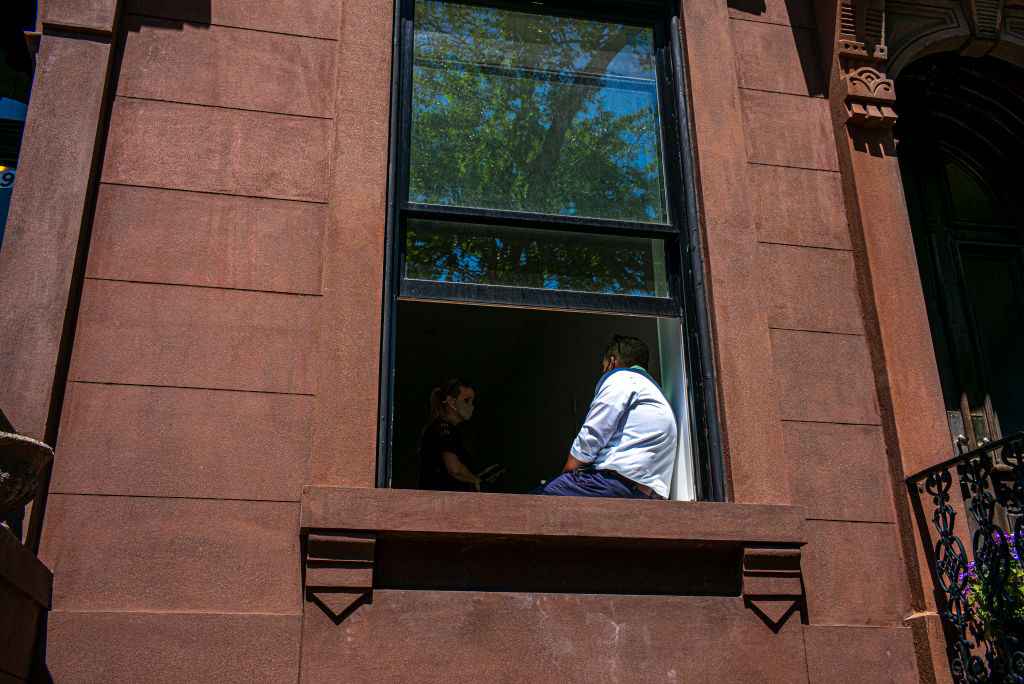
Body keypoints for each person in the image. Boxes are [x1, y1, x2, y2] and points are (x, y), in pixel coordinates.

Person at [532, 335, 677, 499]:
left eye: (604, 366)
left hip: (611, 486)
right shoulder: (657, 394)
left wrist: (562, 477)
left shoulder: (622, 378)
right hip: (645, 496)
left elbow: (592, 436)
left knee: (528, 504)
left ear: (612, 362)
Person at [419, 377, 482, 492]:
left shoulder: (444, 430)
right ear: (451, 401)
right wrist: (476, 481)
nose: (470, 406)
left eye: (472, 402)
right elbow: (455, 469)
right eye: (466, 400)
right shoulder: (444, 429)